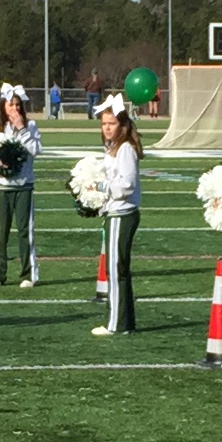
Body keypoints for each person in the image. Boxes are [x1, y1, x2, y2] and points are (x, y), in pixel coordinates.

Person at [90, 103, 142, 335]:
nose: (107, 128)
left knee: (115, 269)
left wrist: (101, 186)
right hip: (115, 212)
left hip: (122, 213)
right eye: (104, 123)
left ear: (122, 125)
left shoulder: (126, 149)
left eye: (112, 123)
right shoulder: (113, 148)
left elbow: (126, 184)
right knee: (118, 269)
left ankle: (116, 324)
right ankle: (125, 322)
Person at [0, 82, 42, 287]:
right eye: (11, 105)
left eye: (17, 105)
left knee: (25, 230)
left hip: (24, 186)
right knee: (1, 232)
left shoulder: (30, 126)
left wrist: (22, 129)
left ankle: (28, 274)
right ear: (3, 107)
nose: (15, 109)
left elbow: (36, 150)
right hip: (2, 187)